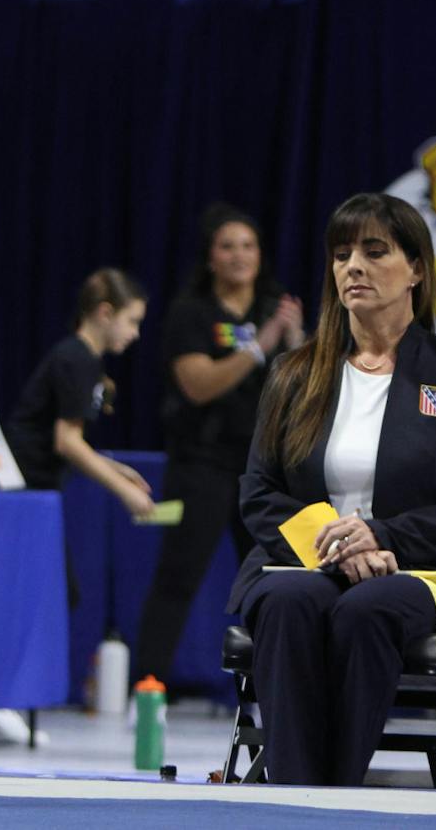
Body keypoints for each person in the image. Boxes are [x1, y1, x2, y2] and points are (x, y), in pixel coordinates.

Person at [229, 192, 436, 786]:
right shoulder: (294, 373)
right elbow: (258, 491)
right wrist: (338, 545)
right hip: (304, 562)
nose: (353, 267)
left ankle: (336, 796)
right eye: (342, 255)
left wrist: (386, 537)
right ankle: (294, 796)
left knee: (367, 608)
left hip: (423, 574)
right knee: (286, 602)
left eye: (374, 251)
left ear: (416, 270)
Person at [133, 202, 305, 687]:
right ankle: (148, 687)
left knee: (275, 581)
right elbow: (198, 385)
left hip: (264, 467)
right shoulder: (191, 313)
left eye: (248, 245)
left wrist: (294, 339)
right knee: (178, 576)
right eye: (227, 246)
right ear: (210, 257)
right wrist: (258, 346)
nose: (238, 255)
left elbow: (304, 390)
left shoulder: (276, 307)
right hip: (202, 464)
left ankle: (276, 686)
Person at [6, 267, 153, 515]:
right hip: (22, 491)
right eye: (132, 321)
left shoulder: (85, 360)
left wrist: (115, 469)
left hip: (36, 488)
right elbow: (67, 442)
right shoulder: (76, 359)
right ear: (105, 313)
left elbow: (56, 440)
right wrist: (124, 490)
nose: (135, 334)